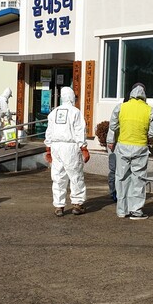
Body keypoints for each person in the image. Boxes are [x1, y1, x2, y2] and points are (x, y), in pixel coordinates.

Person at [107, 83, 153, 220]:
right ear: (144, 94)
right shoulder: (150, 110)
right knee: (138, 179)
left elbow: (112, 125)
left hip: (123, 146)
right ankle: (136, 210)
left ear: (131, 93)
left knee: (121, 178)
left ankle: (121, 210)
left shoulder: (121, 107)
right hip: (140, 147)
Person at [44, 86, 90, 216]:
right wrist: (84, 147)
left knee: (58, 176)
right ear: (71, 97)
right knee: (75, 175)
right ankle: (77, 204)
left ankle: (59, 206)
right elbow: (79, 131)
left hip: (56, 147)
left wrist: (48, 149)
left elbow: (49, 132)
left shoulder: (54, 112)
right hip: (70, 146)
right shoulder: (75, 112)